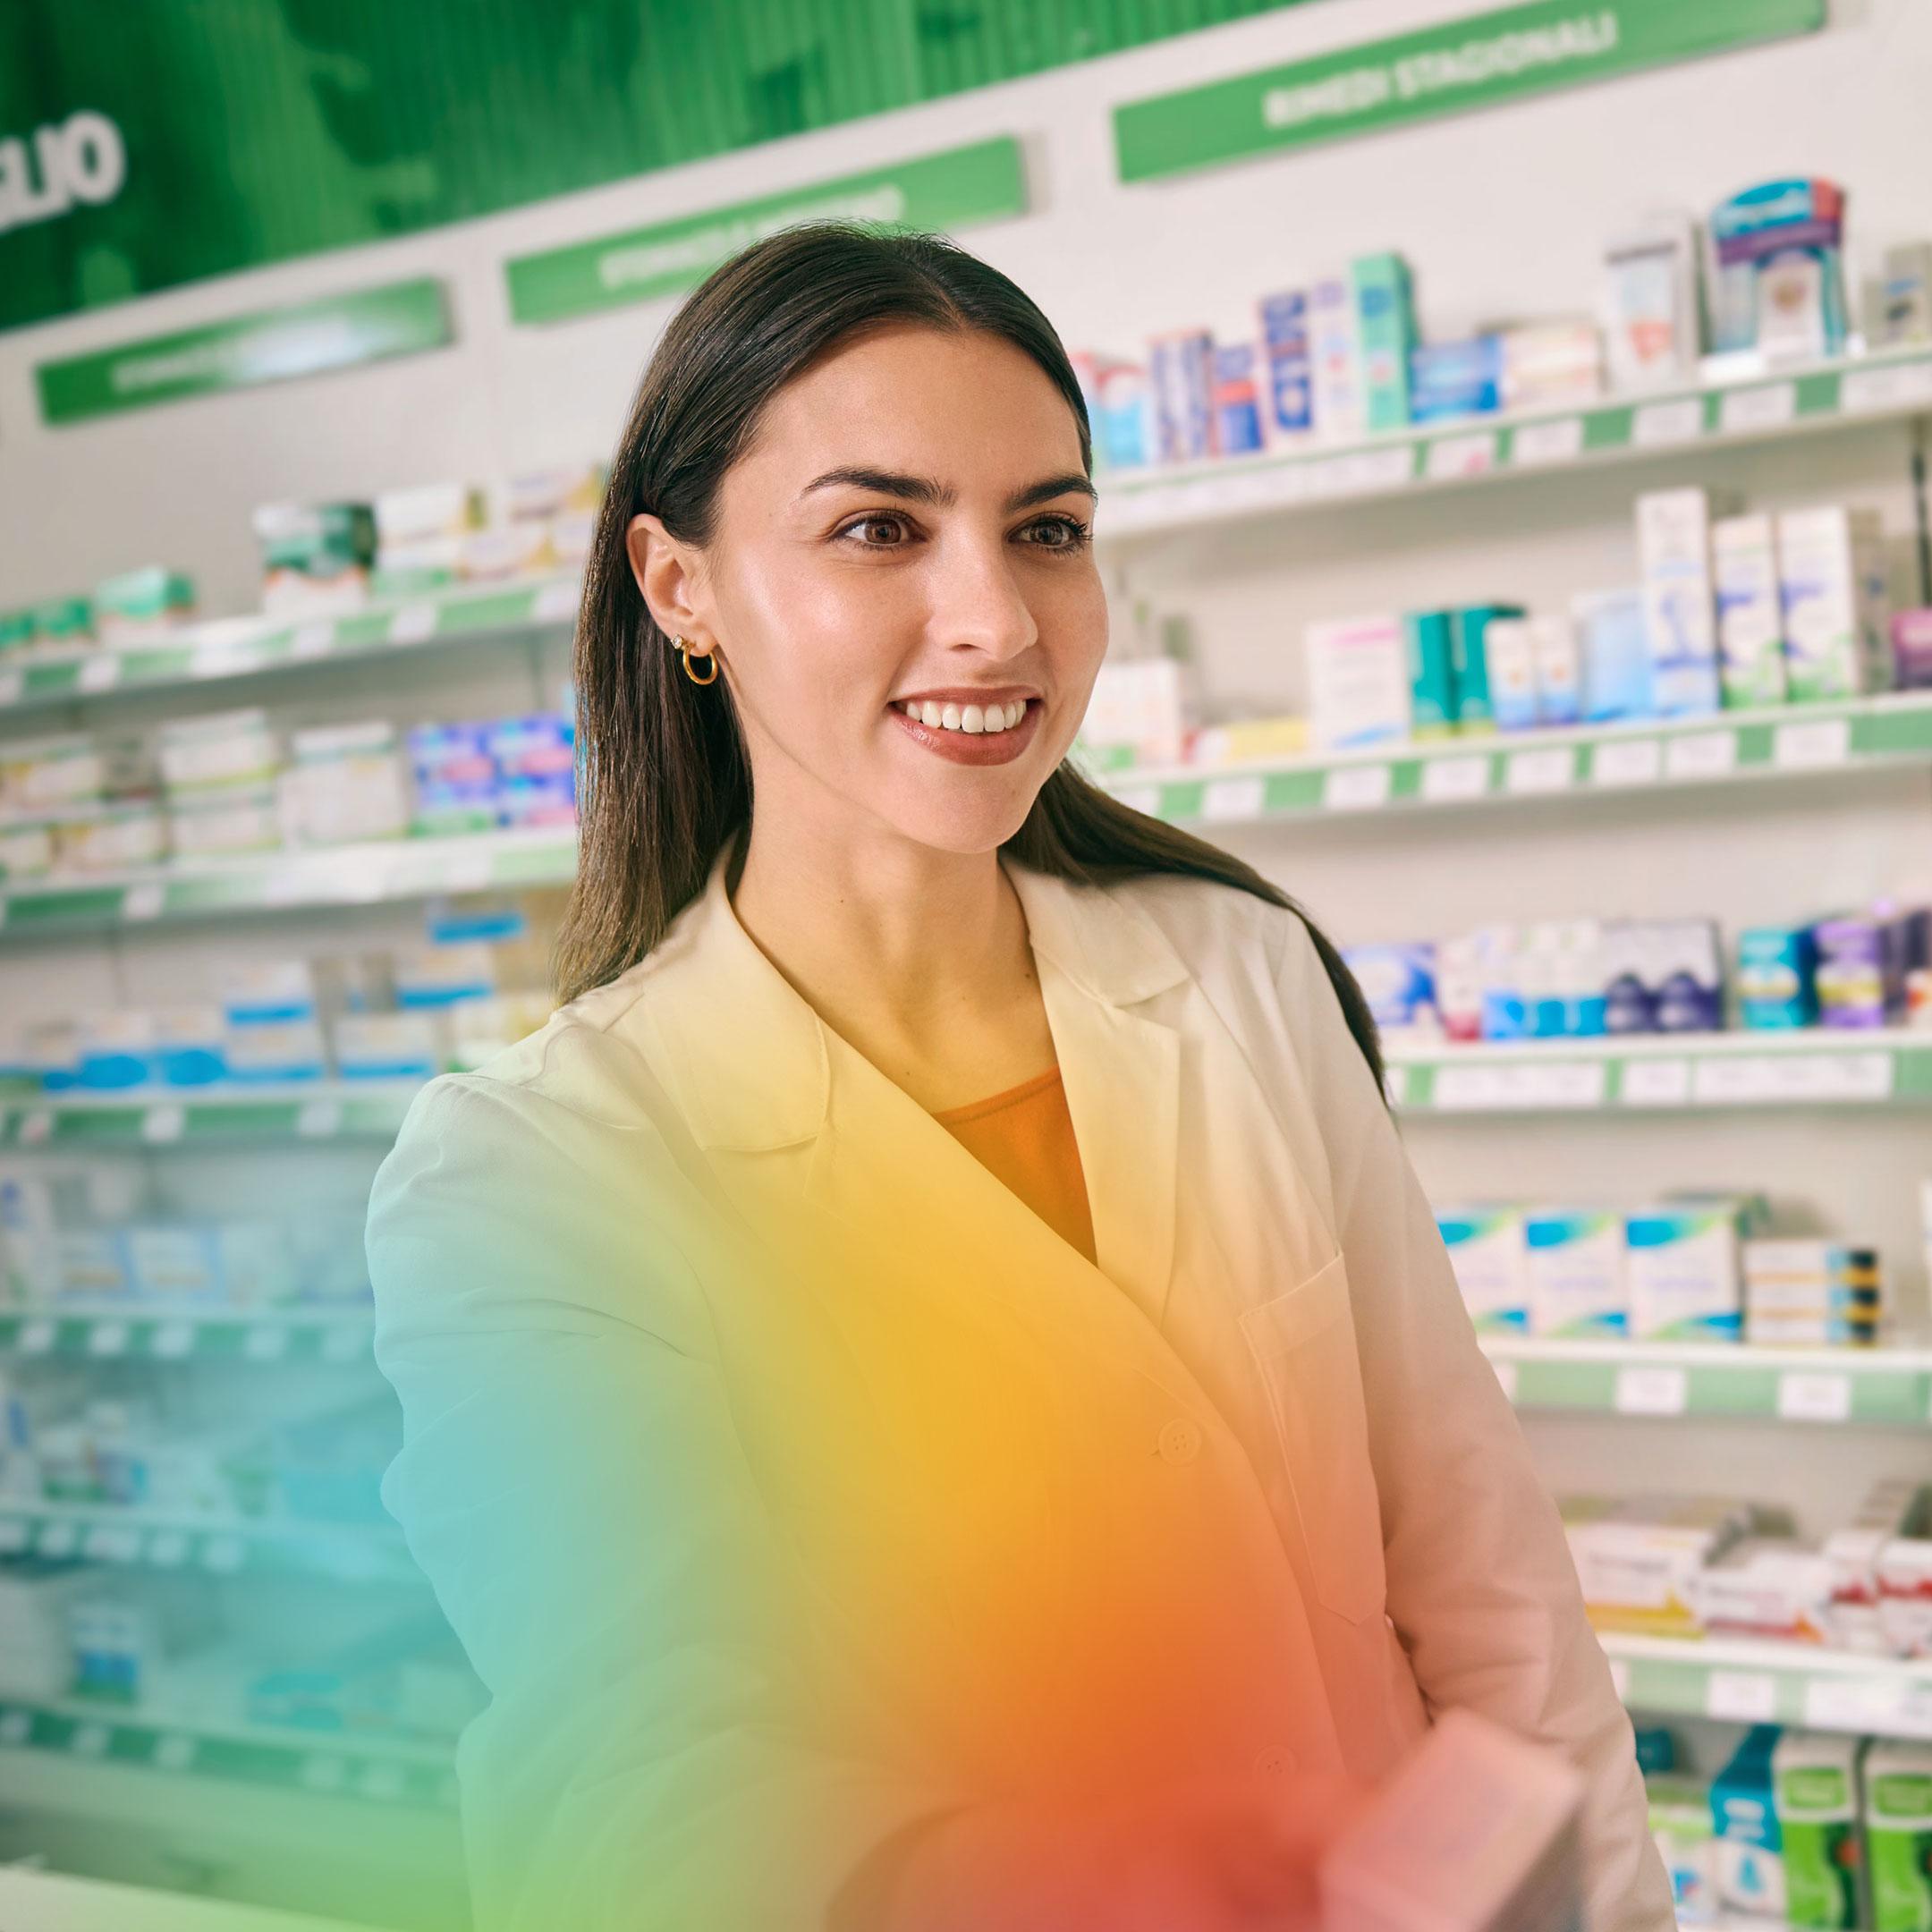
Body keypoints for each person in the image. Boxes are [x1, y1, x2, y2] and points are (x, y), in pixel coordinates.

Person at [366, 221, 1674, 1932]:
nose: (993, 618)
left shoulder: (1236, 976)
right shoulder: (539, 1172)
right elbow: (640, 1758)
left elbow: (1483, 1574)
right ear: (680, 587)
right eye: (877, 530)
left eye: (1046, 530)